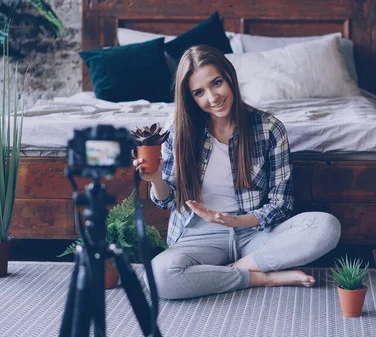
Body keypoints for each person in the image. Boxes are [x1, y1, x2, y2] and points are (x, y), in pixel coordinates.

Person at [133, 45, 341, 300]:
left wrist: (235, 221)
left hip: (254, 233)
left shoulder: (269, 128)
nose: (213, 97)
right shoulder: (179, 129)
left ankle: (234, 269)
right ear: (190, 98)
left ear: (229, 76)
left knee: (326, 226)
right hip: (199, 234)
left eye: (216, 82)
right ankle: (259, 277)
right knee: (159, 277)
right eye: (199, 92)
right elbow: (166, 200)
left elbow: (282, 205)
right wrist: (155, 181)